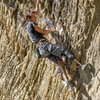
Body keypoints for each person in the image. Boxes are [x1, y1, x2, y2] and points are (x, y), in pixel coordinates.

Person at [26, 0, 75, 86]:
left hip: (43, 52)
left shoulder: (32, 23)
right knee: (61, 49)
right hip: (44, 46)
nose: (36, 17)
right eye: (34, 17)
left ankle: (67, 80)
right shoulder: (31, 24)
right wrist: (51, 30)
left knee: (60, 62)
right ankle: (71, 57)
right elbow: (44, 32)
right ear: (29, 19)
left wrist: (37, 3)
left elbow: (37, 12)